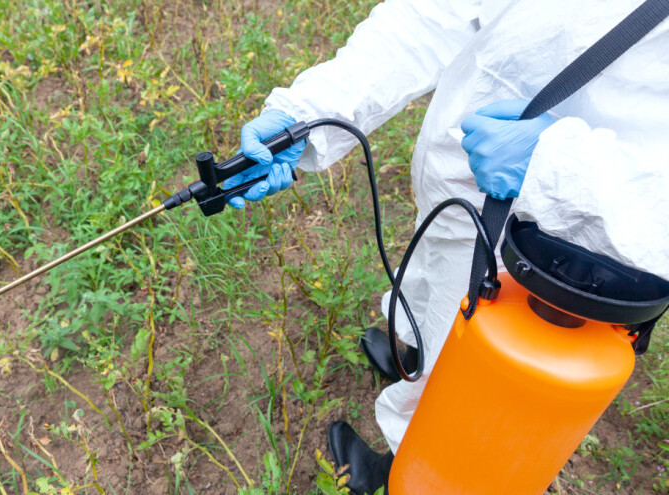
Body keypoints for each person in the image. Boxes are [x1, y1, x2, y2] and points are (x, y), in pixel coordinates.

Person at [225, 0, 669, 493]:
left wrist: (559, 165)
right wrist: (308, 113)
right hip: (463, 169)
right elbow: (437, 10)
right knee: (434, 284)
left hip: (556, 229)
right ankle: (412, 352)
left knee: (470, 363)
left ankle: (405, 469)